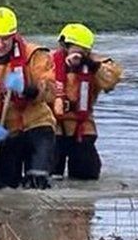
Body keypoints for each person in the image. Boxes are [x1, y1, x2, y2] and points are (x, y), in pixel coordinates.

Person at [0, 6, 57, 189]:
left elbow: (52, 87)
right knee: (6, 187)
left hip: (38, 125)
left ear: (14, 35)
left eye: (6, 38)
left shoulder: (34, 55)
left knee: (37, 181)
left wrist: (29, 89)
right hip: (7, 132)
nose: (1, 44)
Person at [51, 23, 123, 180]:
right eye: (74, 50)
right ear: (64, 47)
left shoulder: (96, 66)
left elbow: (112, 80)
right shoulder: (48, 63)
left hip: (83, 128)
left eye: (82, 52)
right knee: (50, 176)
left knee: (86, 177)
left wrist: (93, 66)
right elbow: (40, 85)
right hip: (55, 127)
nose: (77, 56)